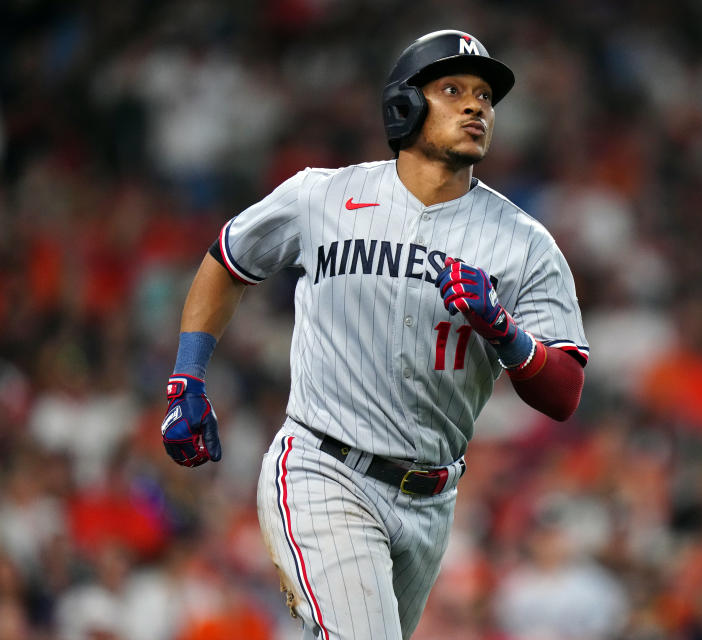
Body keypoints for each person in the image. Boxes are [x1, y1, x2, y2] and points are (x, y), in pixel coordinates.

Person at [160, 29, 589, 640]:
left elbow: (566, 392)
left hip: (431, 500)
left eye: (485, 97)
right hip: (322, 465)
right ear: (404, 107)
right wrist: (188, 375)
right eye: (452, 90)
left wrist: (506, 334)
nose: (476, 106)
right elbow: (228, 261)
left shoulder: (525, 244)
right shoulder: (321, 195)